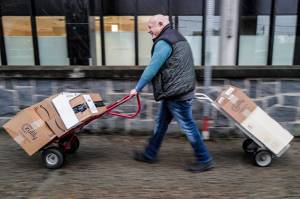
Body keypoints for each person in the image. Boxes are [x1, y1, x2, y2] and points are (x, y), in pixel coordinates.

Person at [130, 14, 213, 172]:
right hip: (178, 90)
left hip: (178, 94)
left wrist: (137, 88)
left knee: (188, 126)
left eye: (150, 26)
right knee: (161, 123)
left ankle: (205, 159)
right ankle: (150, 153)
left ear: (161, 24)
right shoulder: (176, 36)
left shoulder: (164, 42)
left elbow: (152, 68)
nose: (149, 30)